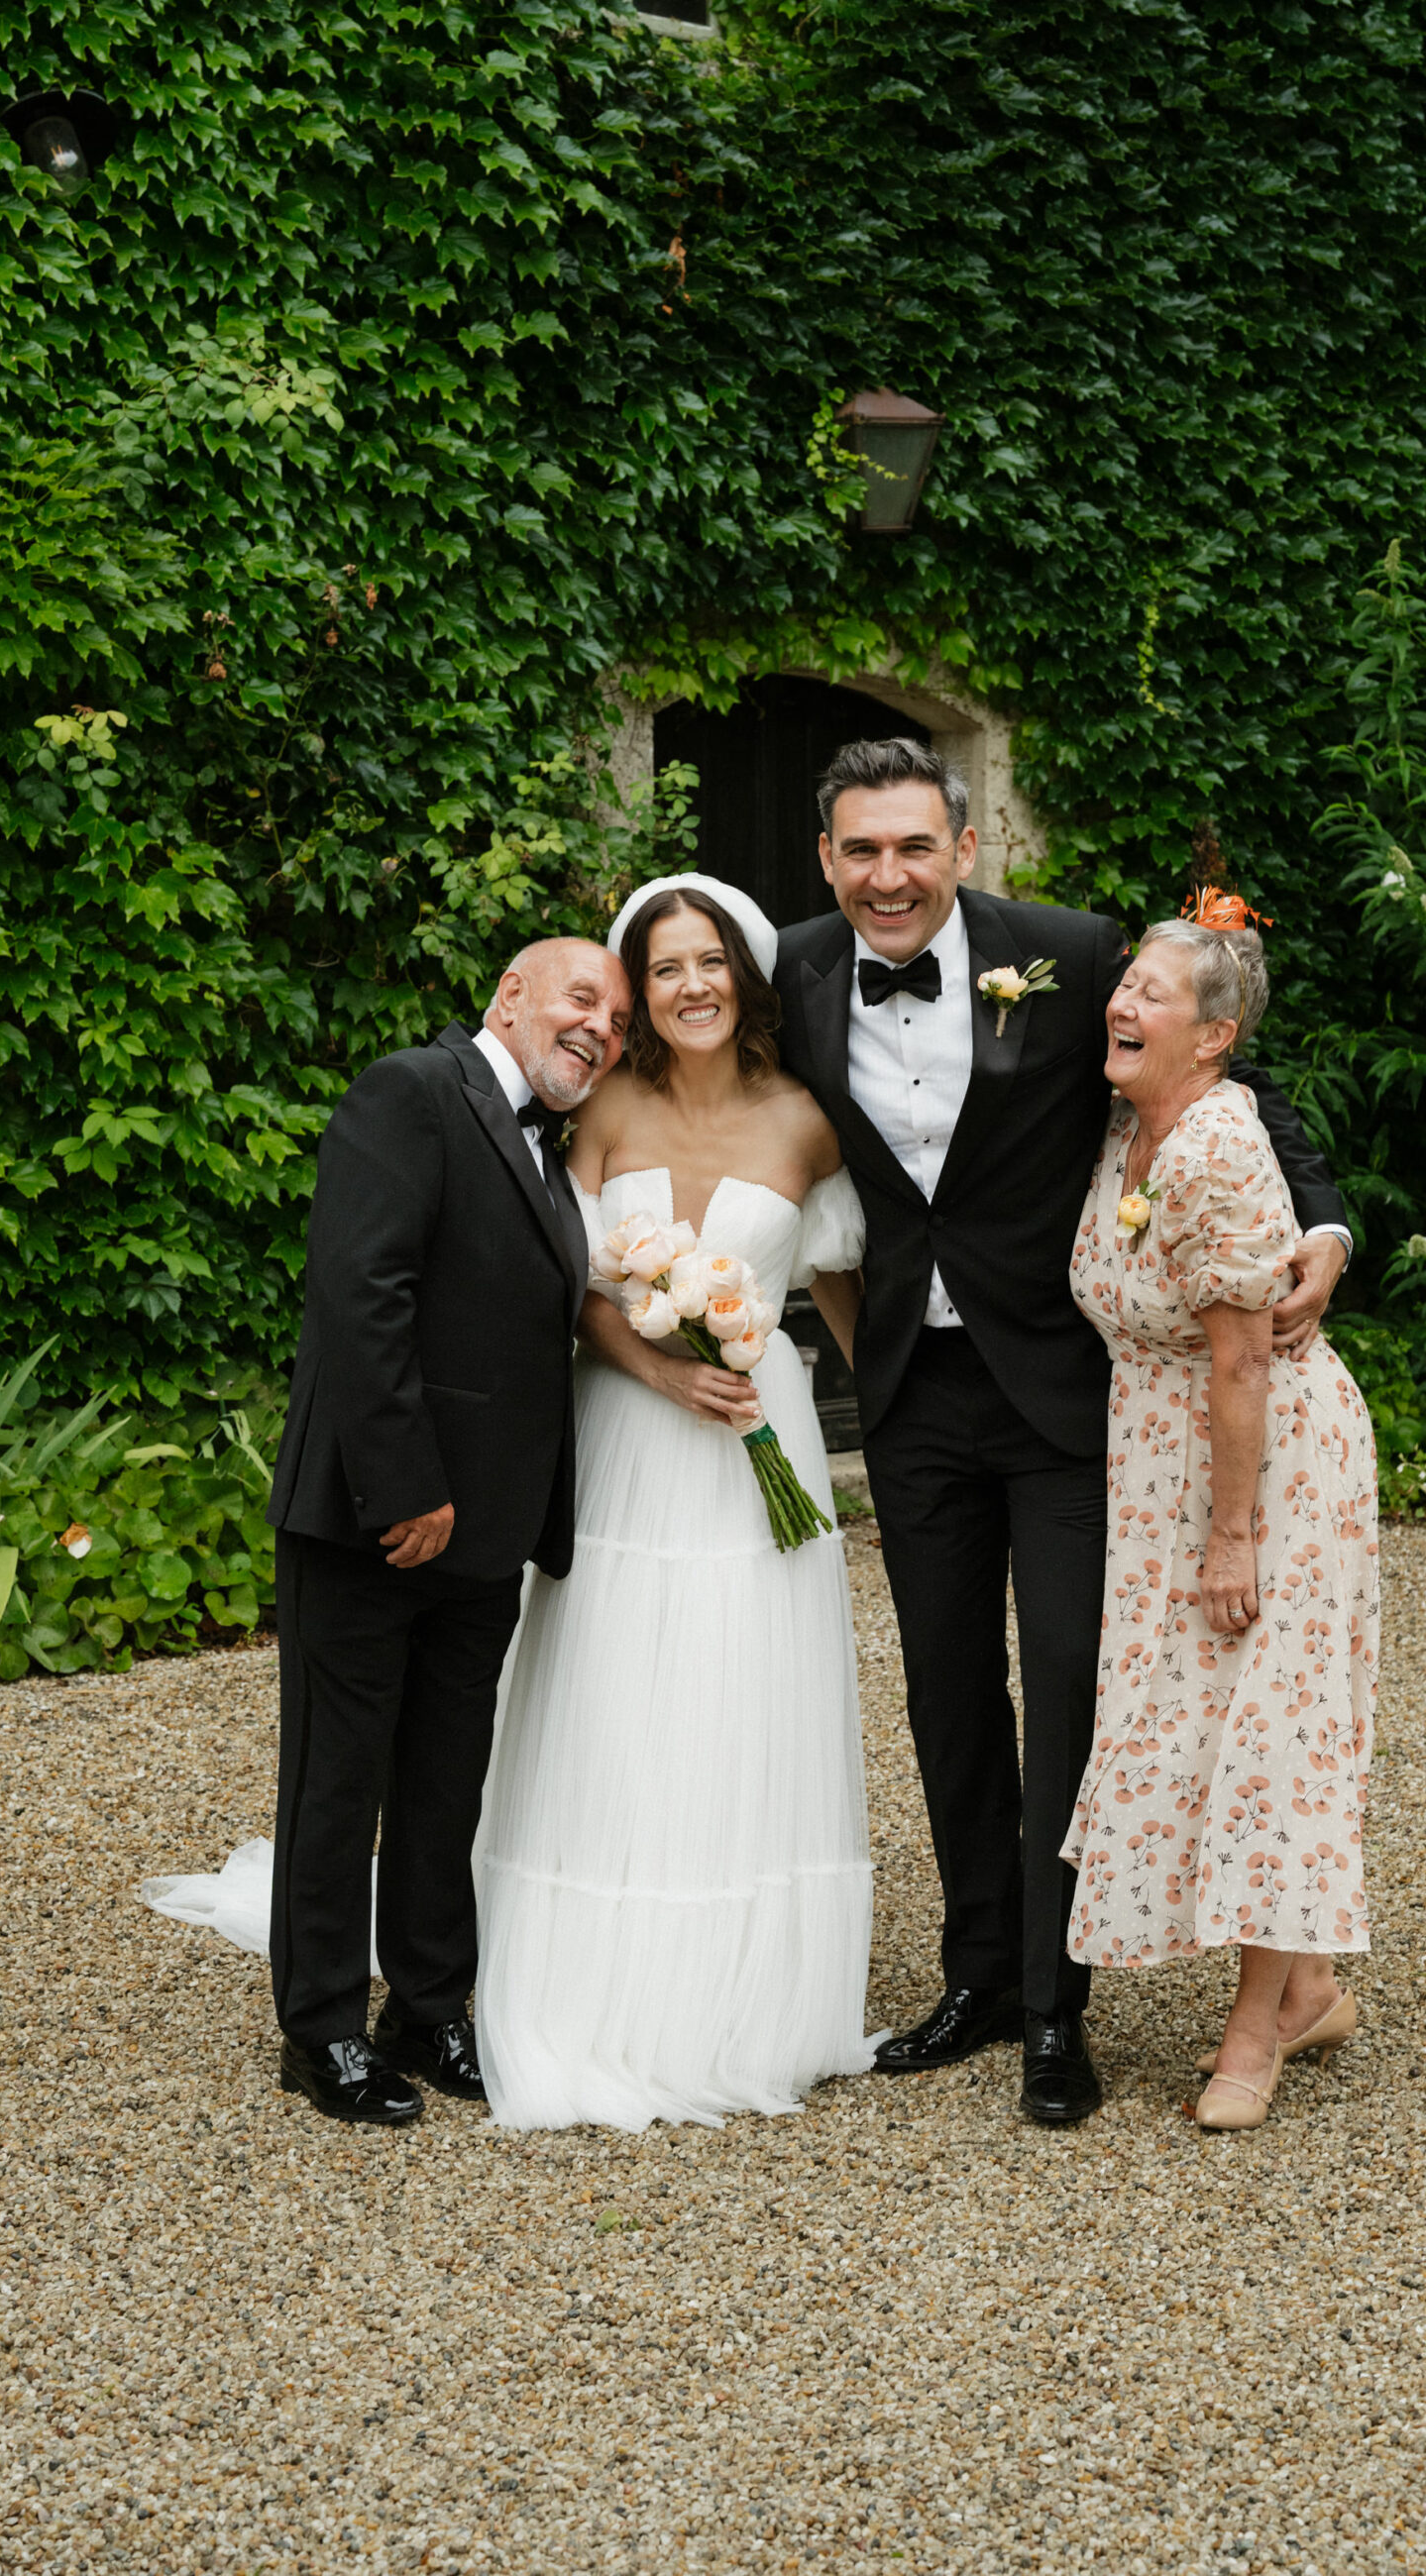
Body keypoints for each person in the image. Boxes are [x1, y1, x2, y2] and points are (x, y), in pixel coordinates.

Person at [773, 741, 1354, 2127]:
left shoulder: (1072, 952)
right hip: (906, 1392)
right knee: (947, 1689)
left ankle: (1055, 2006)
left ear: (965, 849)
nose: (890, 876)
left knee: (1075, 1687)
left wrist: (1326, 1222)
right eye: (863, 850)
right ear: (827, 859)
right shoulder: (789, 972)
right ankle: (978, 1975)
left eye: (915, 846)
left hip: (1064, 1390)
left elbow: (1235, 1082)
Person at [470, 878, 878, 2130]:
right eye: (665, 969)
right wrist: (659, 1369)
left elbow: (846, 1288)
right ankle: (590, 1971)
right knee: (615, 1679)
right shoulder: (605, 1106)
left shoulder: (809, 1122)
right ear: (639, 992)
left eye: (711, 963)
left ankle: (746, 1992)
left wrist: (911, 1421)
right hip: (628, 1432)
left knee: (741, 1684)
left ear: (744, 979)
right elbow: (572, 1285)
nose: (692, 986)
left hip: (761, 1437)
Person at [260, 938, 630, 2125]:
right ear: (510, 994)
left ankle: (425, 2011)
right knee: (338, 1781)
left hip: (487, 1532)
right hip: (375, 1519)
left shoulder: (549, 1140)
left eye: (619, 1021)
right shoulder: (414, 1090)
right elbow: (360, 1292)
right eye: (583, 998)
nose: (602, 1027)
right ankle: (320, 2029)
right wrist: (406, 1486)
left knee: (443, 1783)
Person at [1062, 911, 1379, 2131]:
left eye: (1153, 992)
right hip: (1164, 1468)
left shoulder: (1215, 1149)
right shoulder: (1124, 1127)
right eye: (1125, 983)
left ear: (1215, 1037)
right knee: (1198, 1721)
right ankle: (1306, 1987)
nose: (1122, 1003)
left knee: (1268, 1733)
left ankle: (1255, 2036)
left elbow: (1243, 1359)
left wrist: (1233, 1534)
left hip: (1264, 1470)